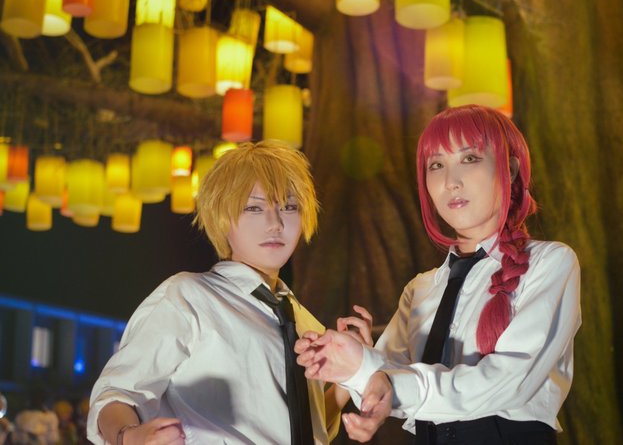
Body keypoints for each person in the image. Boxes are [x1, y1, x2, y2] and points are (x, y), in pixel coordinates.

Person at [296, 105, 582, 444]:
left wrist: (388, 381)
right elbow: (388, 387)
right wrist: (353, 363)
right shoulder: (420, 288)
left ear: (510, 169)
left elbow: (511, 381)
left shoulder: (550, 263)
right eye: (436, 165)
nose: (450, 182)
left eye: (470, 158)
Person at [87, 141, 371, 445]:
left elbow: (303, 427)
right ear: (222, 217)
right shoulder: (188, 297)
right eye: (254, 208)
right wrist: (129, 436)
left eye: (289, 207)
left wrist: (348, 376)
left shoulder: (303, 321)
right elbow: (116, 393)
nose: (275, 224)